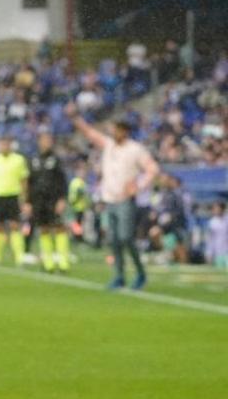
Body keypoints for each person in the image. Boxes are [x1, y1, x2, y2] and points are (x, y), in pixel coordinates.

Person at [67, 107, 159, 289]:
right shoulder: (109, 145)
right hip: (110, 199)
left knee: (126, 237)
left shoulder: (135, 149)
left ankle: (140, 273)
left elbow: (152, 169)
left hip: (125, 200)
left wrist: (139, 186)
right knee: (114, 240)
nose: (113, 132)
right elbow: (90, 133)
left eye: (117, 129)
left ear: (125, 131)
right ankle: (119, 275)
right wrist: (75, 118)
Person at [0, 135, 29, 266]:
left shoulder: (19, 160)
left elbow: (24, 181)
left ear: (11, 145)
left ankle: (19, 257)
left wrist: (24, 200)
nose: (4, 147)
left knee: (15, 226)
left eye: (6, 144)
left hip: (13, 196)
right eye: (2, 144)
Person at [27, 132, 70, 273]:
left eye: (49, 140)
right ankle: (48, 262)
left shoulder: (56, 160)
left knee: (59, 228)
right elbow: (29, 182)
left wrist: (62, 199)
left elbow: (63, 181)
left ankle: (63, 262)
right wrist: (27, 201)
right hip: (38, 200)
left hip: (54, 199)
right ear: (39, 141)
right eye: (44, 140)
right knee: (43, 229)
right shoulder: (34, 159)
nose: (47, 142)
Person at [206, 201, 228, 269]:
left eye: (217, 208)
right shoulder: (212, 222)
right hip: (218, 253)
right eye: (214, 209)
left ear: (222, 209)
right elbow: (210, 239)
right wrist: (209, 253)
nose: (215, 210)